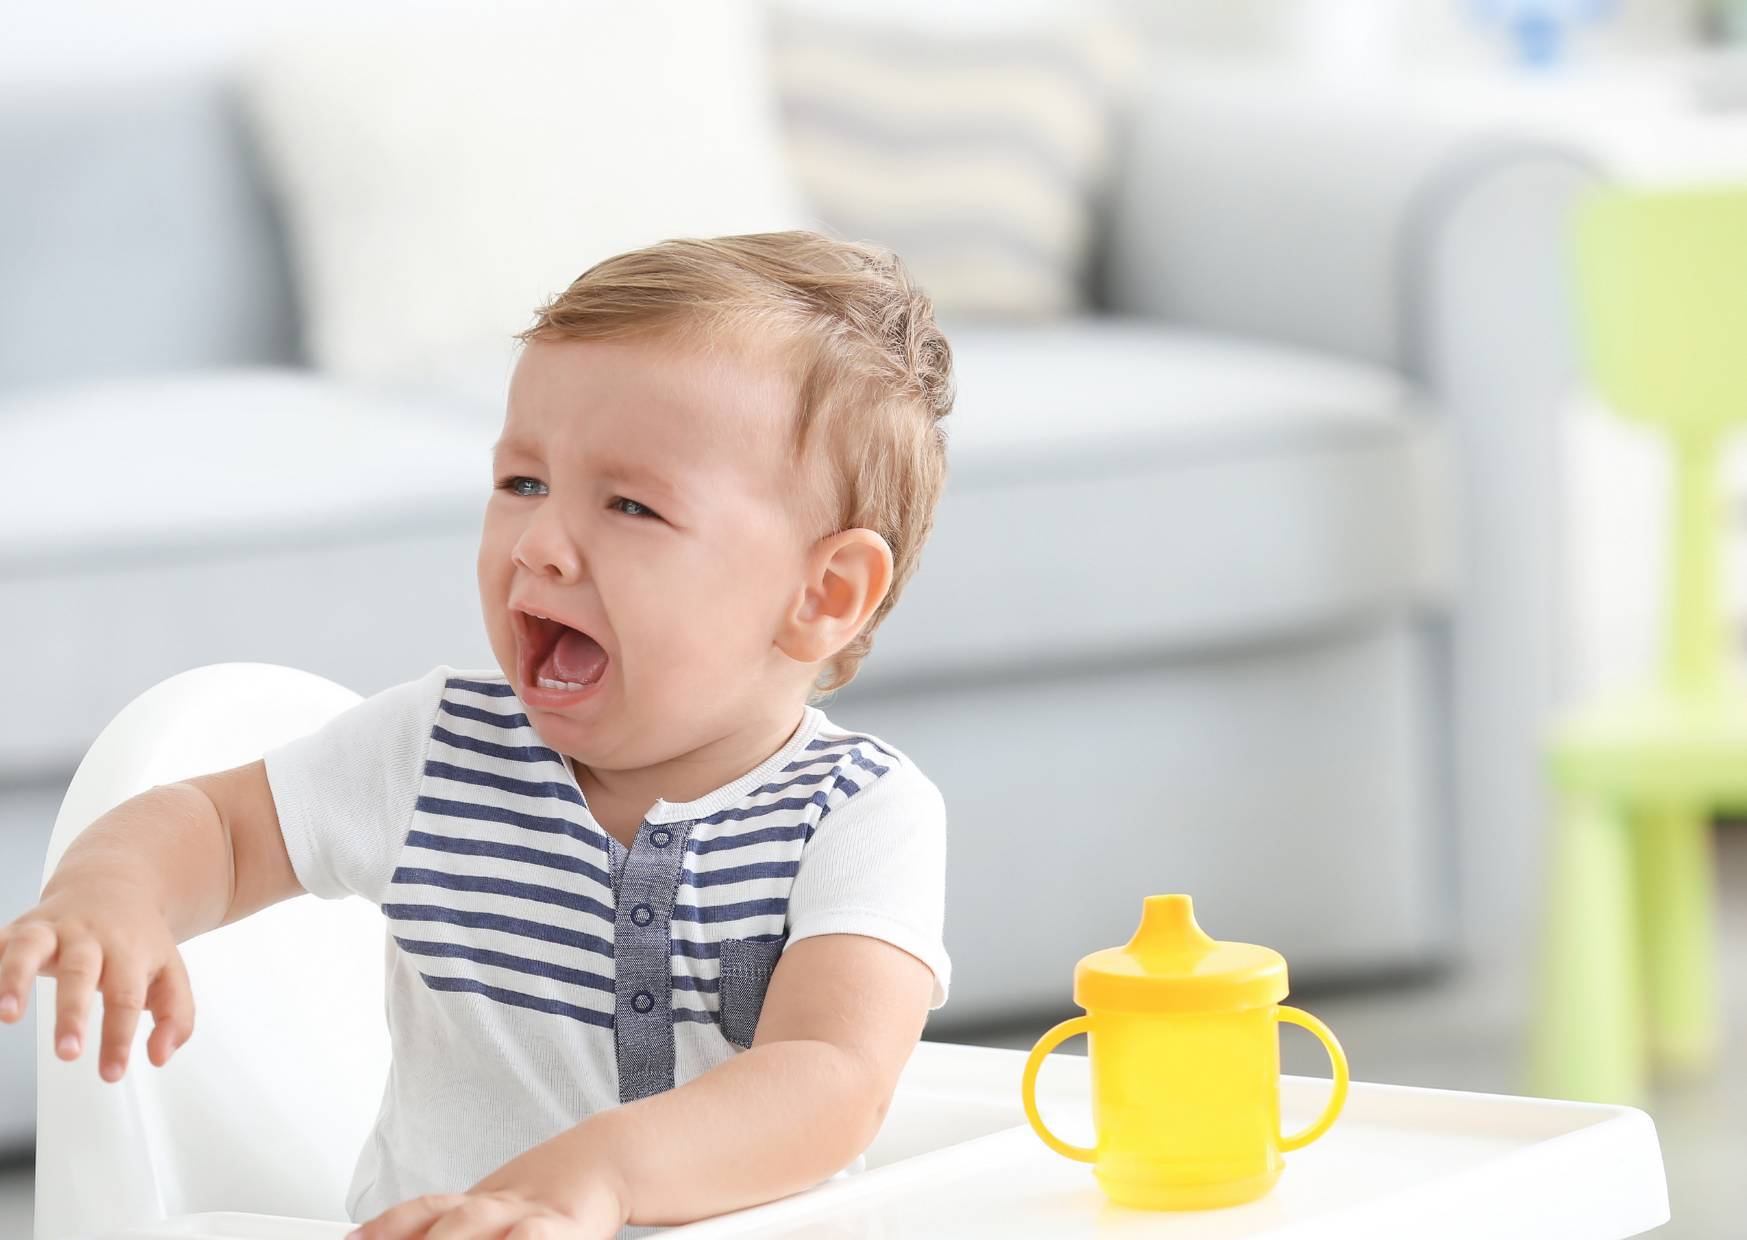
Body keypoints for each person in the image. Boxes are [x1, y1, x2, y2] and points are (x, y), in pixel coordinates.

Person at [0, 231, 956, 1240]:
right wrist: (114, 890)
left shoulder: (857, 813)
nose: (538, 546)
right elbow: (217, 827)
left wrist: (598, 1178)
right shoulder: (432, 749)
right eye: (522, 483)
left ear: (823, 593)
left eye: (631, 504)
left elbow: (831, 1076)